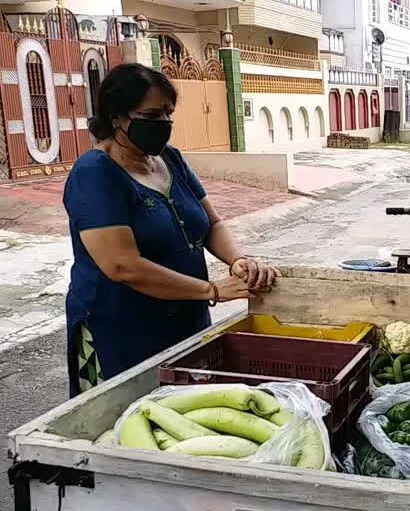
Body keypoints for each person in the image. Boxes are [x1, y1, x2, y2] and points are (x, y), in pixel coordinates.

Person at [63, 64, 279, 397]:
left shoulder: (169, 158)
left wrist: (236, 260)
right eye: (151, 113)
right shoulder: (95, 173)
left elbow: (211, 224)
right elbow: (122, 265)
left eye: (167, 112)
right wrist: (214, 290)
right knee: (128, 421)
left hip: (185, 318)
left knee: (189, 406)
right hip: (120, 330)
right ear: (116, 116)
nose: (163, 123)